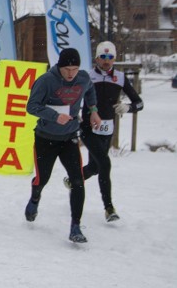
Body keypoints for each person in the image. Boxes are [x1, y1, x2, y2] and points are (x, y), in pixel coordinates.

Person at [25, 48, 100, 243]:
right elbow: (31, 106)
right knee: (43, 178)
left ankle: (75, 226)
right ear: (59, 66)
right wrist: (54, 116)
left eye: (74, 69)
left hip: (69, 137)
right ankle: (35, 197)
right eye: (67, 69)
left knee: (77, 180)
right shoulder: (46, 81)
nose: (70, 73)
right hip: (45, 137)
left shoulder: (83, 78)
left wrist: (93, 110)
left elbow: (90, 90)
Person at [72, 41, 144, 222]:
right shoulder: (86, 76)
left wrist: (128, 107)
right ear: (96, 58)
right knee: (104, 164)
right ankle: (109, 208)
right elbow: (71, 97)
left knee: (95, 167)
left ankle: (74, 178)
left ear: (114, 58)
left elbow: (139, 103)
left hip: (107, 129)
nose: (106, 61)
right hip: (88, 128)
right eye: (103, 57)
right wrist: (75, 116)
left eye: (110, 57)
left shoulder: (119, 77)